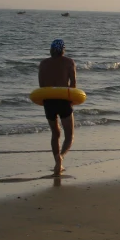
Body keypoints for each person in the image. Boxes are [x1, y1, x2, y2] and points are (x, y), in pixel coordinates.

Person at [38, 39, 77, 175]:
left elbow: (41, 86)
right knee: (69, 135)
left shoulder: (43, 64)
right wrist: (71, 100)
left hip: (49, 101)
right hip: (63, 100)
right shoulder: (69, 62)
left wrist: (45, 102)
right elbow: (73, 83)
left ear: (51, 50)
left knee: (55, 134)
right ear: (63, 50)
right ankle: (60, 158)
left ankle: (57, 162)